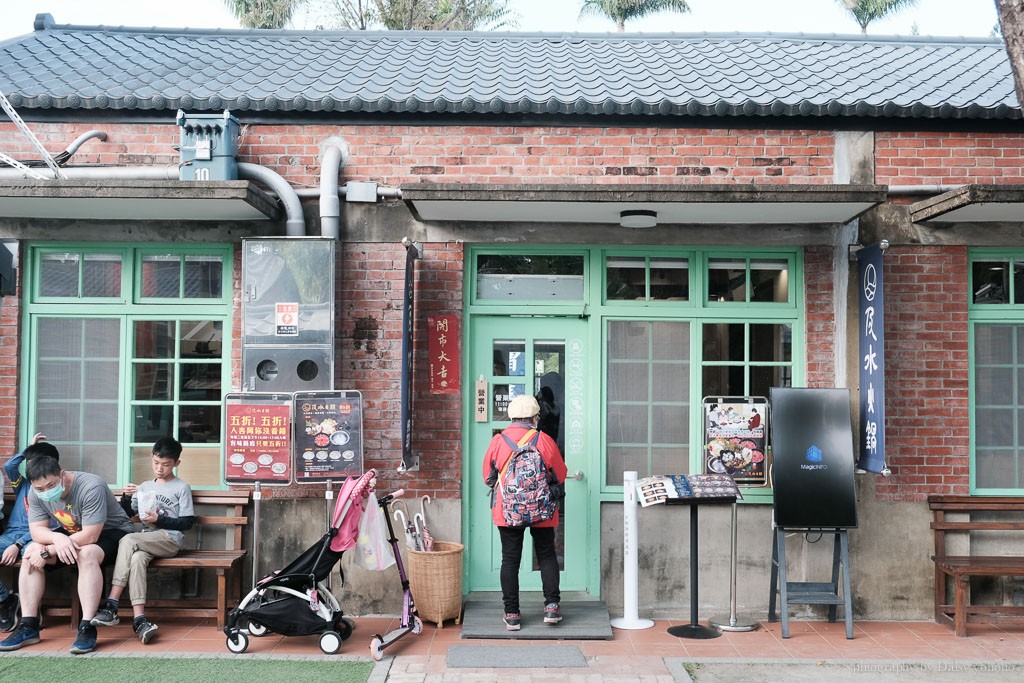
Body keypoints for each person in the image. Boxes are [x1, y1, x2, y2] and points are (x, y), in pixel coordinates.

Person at [0, 452, 134, 655]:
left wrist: (49, 551)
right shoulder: (35, 492)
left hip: (112, 533)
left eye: (51, 486)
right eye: (40, 489)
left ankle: (87, 626)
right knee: (31, 551)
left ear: (62, 474)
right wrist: (57, 539)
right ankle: (29, 626)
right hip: (73, 532)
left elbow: (90, 535)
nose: (46, 492)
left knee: (86, 554)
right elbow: (37, 531)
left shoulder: (91, 486)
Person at [91, 436, 194, 643]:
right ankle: (140, 619)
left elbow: (187, 522)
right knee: (137, 558)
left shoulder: (181, 487)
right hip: (146, 541)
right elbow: (126, 513)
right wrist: (127, 497)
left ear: (176, 464)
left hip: (169, 540)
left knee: (128, 540)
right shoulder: (145, 486)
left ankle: (111, 603)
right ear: (152, 459)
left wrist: (161, 520)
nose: (159, 468)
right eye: (156, 463)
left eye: (165, 465)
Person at [483, 394, 567, 632]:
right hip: (542, 508)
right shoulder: (544, 440)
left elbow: (487, 477)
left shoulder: (498, 441)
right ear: (535, 417)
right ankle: (551, 607)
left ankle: (512, 614)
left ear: (511, 417)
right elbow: (560, 475)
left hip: (507, 510)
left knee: (510, 560)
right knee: (546, 555)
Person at [0, 435, 57, 632]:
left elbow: (49, 528)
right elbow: (9, 467)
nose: (30, 467)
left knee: (31, 558)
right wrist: (27, 451)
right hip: (10, 535)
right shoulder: (23, 484)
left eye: (35, 463)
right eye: (28, 463)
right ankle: (6, 599)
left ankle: (30, 613)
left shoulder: (51, 491)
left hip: (34, 538)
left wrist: (17, 546)